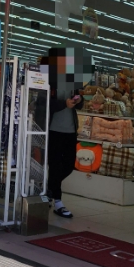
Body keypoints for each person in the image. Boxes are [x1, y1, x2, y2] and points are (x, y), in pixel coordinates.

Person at [46, 47, 90, 218]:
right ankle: (58, 201)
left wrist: (78, 100)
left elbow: (80, 102)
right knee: (55, 165)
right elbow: (44, 104)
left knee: (69, 165)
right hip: (54, 130)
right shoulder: (49, 81)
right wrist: (64, 103)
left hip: (70, 130)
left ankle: (49, 189)